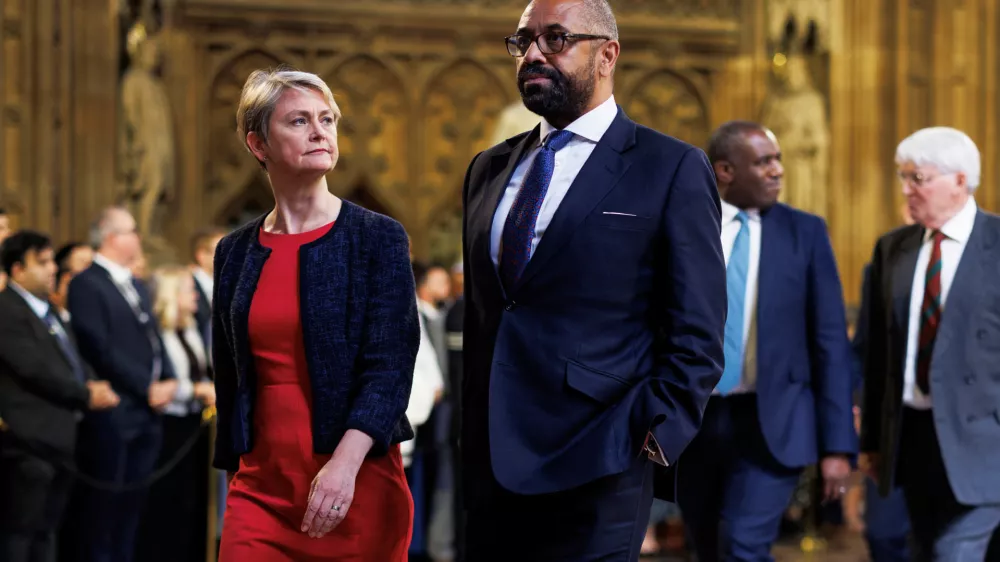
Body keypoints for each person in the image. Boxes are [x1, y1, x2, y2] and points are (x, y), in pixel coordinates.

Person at [460, 0, 727, 559]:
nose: (533, 53)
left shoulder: (669, 167)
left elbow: (697, 327)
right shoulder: (489, 168)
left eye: (555, 39)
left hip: (601, 456)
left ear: (607, 55)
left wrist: (655, 436)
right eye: (523, 41)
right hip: (492, 462)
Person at [213, 67, 419, 561]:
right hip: (260, 486)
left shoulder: (377, 237)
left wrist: (345, 466)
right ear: (258, 143)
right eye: (299, 121)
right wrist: (236, 463)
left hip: (355, 478)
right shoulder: (234, 252)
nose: (320, 131)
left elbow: (389, 368)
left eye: (327, 119)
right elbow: (230, 371)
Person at [674, 121, 856, 561]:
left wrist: (837, 446)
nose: (778, 170)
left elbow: (830, 342)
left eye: (777, 160)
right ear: (725, 170)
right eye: (763, 162)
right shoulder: (685, 225)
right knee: (708, 548)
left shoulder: (805, 233)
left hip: (773, 420)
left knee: (743, 545)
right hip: (695, 420)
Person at [860, 126, 1000, 560]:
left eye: (917, 179)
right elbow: (877, 354)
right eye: (903, 178)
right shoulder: (892, 249)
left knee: (954, 552)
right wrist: (872, 442)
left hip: (984, 440)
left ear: (960, 180)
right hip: (912, 439)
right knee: (923, 549)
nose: (907, 190)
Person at [65, 206, 178, 562]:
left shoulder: (136, 283)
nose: (138, 238)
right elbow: (98, 346)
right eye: (132, 231)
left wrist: (169, 377)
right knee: (103, 515)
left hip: (147, 414)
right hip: (116, 414)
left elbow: (154, 338)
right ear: (112, 237)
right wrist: (146, 385)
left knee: (132, 514)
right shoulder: (87, 283)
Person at [0, 230, 119, 562]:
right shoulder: (6, 310)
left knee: (47, 530)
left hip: (60, 439)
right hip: (28, 443)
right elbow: (34, 368)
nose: (53, 268)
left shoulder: (48, 311)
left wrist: (95, 383)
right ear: (17, 269)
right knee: (20, 533)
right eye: (42, 262)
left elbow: (71, 359)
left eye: (52, 260)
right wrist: (85, 394)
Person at [136, 265, 216, 562]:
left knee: (191, 501)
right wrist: (195, 390)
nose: (195, 294)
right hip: (167, 424)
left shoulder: (192, 327)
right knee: (166, 502)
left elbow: (202, 370)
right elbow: (161, 384)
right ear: (171, 295)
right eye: (187, 289)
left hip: (195, 423)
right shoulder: (158, 331)